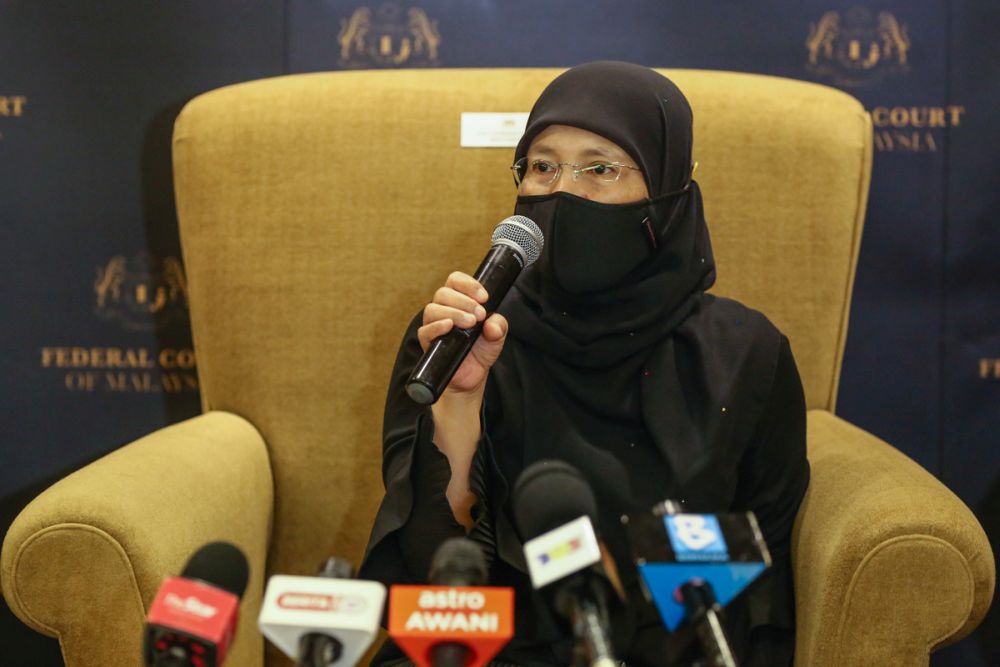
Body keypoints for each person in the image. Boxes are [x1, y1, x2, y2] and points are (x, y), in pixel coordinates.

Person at [360, 61, 809, 666]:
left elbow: (764, 588)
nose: (563, 192)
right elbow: (430, 576)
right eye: (543, 166)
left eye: (599, 168)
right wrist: (459, 406)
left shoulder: (744, 355)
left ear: (668, 190)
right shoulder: (460, 337)